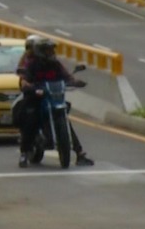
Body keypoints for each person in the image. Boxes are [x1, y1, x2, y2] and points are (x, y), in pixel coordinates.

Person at [15, 35, 94, 166]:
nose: (50, 53)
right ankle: (24, 153)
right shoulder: (32, 64)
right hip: (37, 98)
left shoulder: (55, 64)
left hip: (53, 98)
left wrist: (74, 81)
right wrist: (29, 86)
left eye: (51, 50)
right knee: (31, 120)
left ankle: (79, 153)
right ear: (40, 51)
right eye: (47, 50)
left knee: (65, 120)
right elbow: (24, 79)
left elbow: (66, 75)